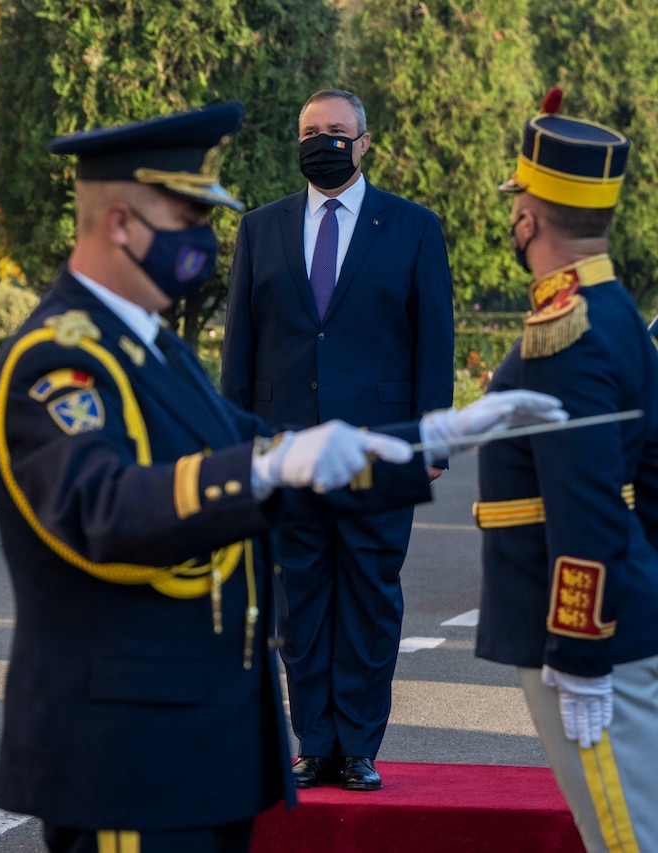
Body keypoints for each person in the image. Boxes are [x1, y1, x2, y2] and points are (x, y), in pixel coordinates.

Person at [0, 102, 564, 853]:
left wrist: (427, 433)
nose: (202, 239)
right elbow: (104, 508)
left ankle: (347, 740)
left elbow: (264, 442)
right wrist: (266, 465)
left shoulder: (153, 348)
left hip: (201, 743)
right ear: (121, 221)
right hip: (127, 749)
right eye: (186, 216)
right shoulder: (57, 361)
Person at [220, 88, 455, 791]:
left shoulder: (413, 227)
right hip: (285, 450)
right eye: (310, 131)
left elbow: (433, 345)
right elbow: (241, 348)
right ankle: (314, 741)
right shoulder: (260, 230)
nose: (323, 141)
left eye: (337, 131)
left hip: (380, 450)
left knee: (371, 597)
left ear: (365, 141)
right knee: (299, 602)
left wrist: (431, 442)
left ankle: (358, 743)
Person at [474, 88, 658, 853]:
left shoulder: (567, 329)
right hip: (628, 615)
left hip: (589, 643)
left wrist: (579, 651)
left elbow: (584, 503)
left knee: (625, 839)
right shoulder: (615, 310)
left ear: (528, 215)